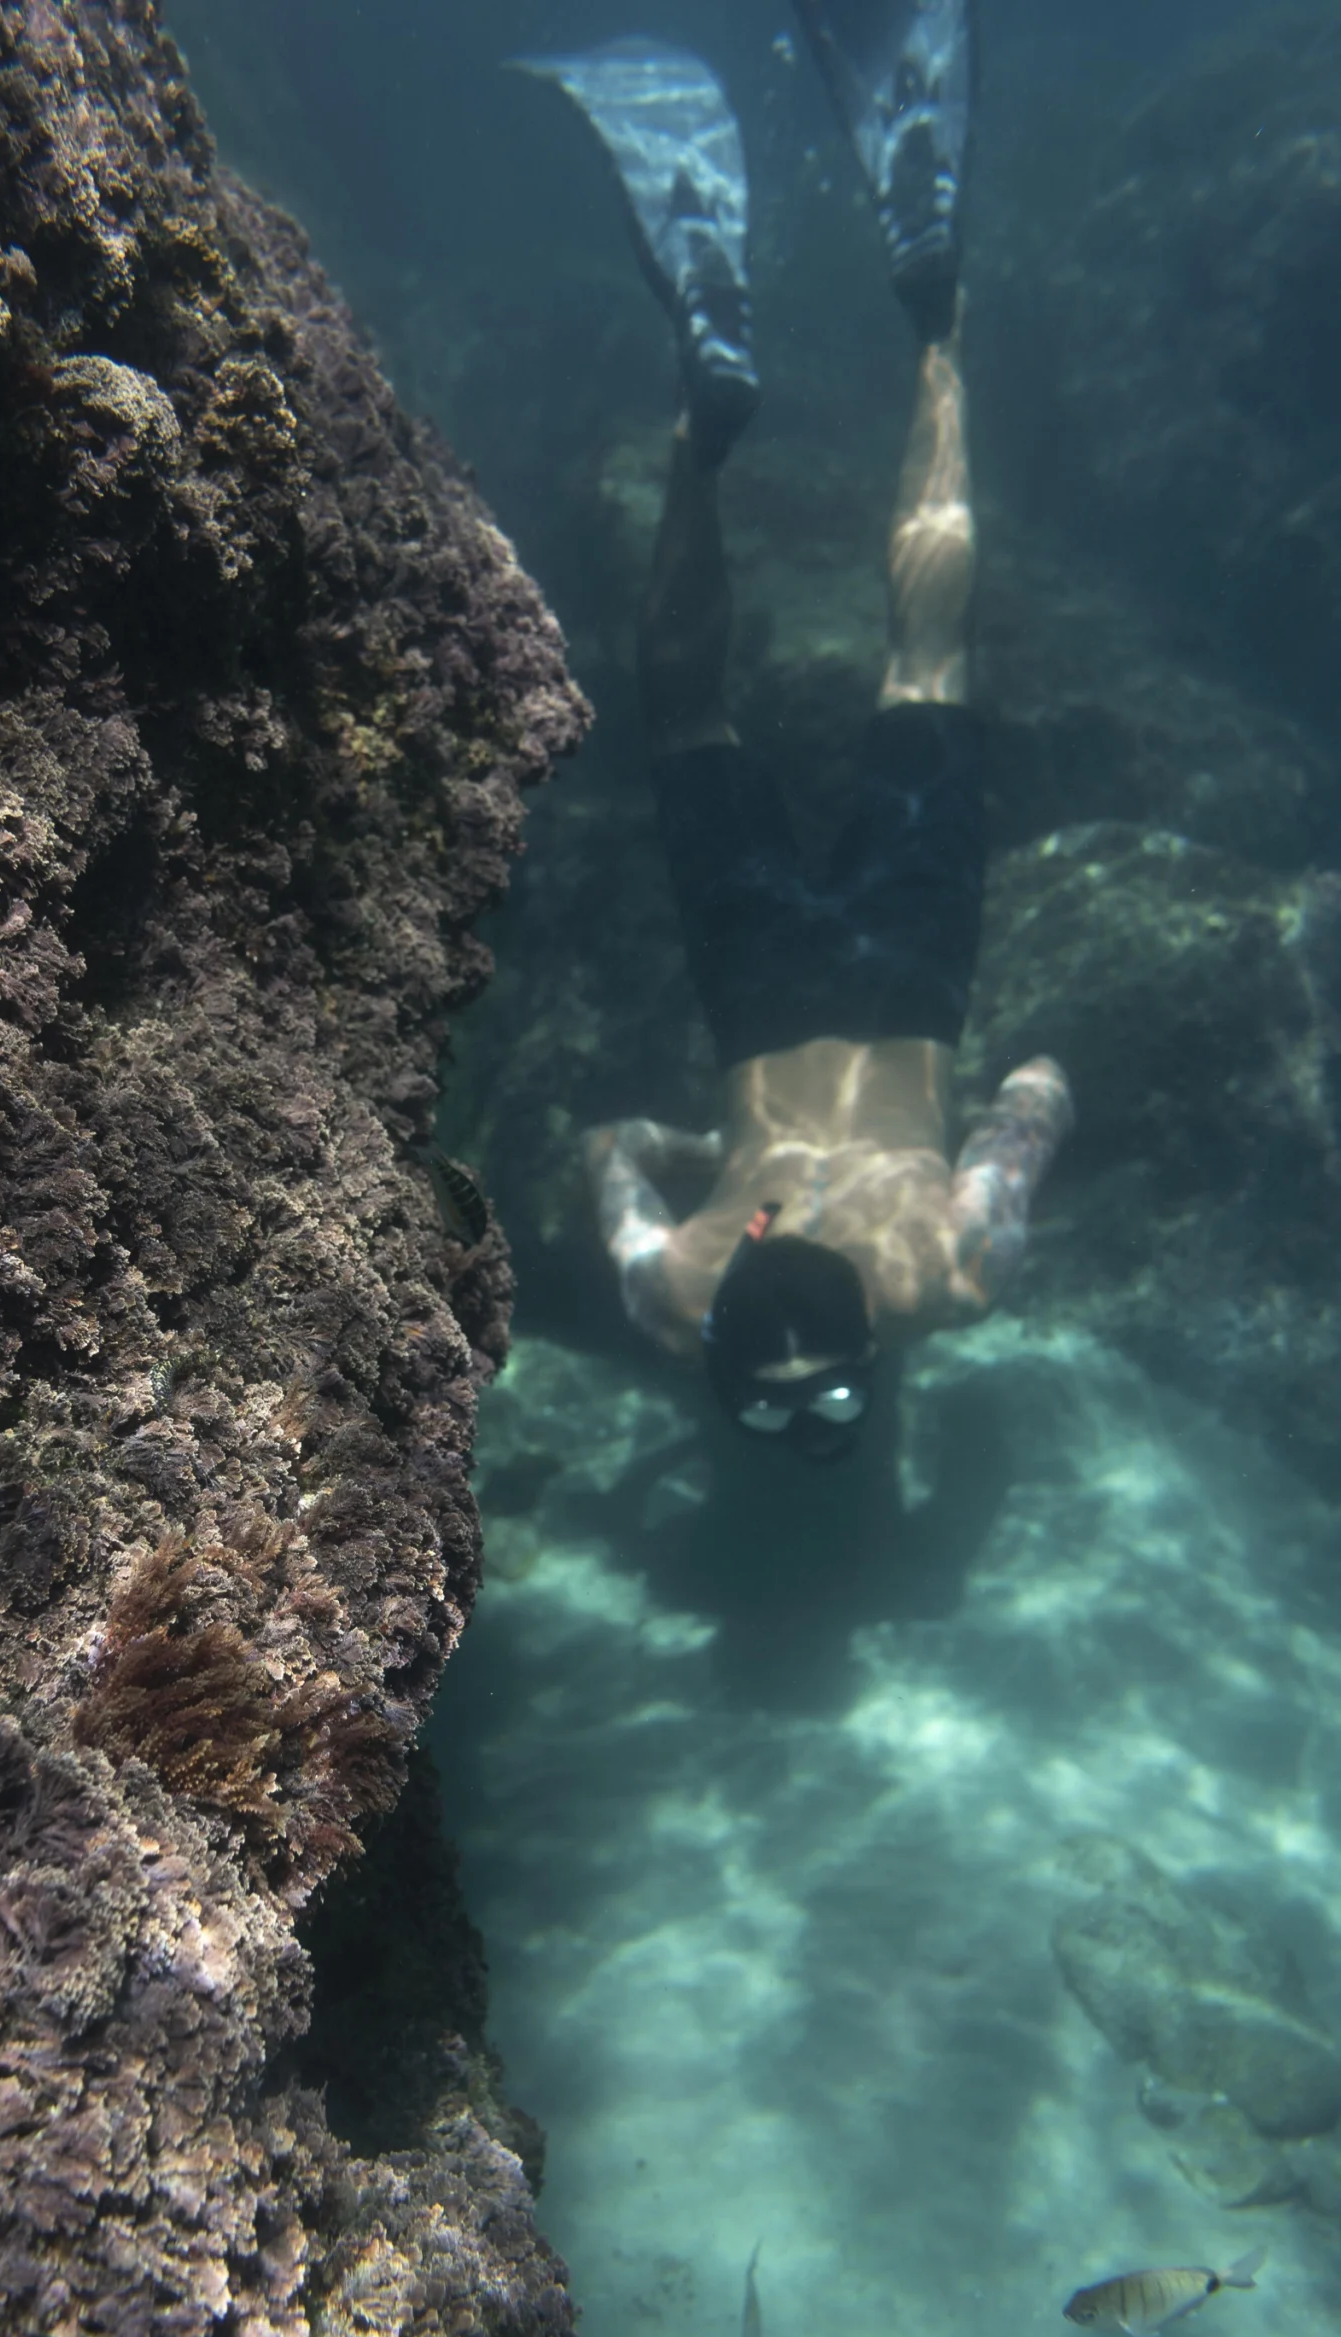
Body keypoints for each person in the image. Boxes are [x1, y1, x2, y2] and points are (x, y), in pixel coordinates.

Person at [514, 8, 1071, 1465]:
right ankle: (703, 433)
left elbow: (1033, 1095)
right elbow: (609, 1150)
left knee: (921, 657)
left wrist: (984, 1132)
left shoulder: (953, 1277)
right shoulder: (669, 1289)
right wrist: (732, 1176)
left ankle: (930, 317)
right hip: (758, 999)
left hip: (907, 984)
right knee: (688, 711)